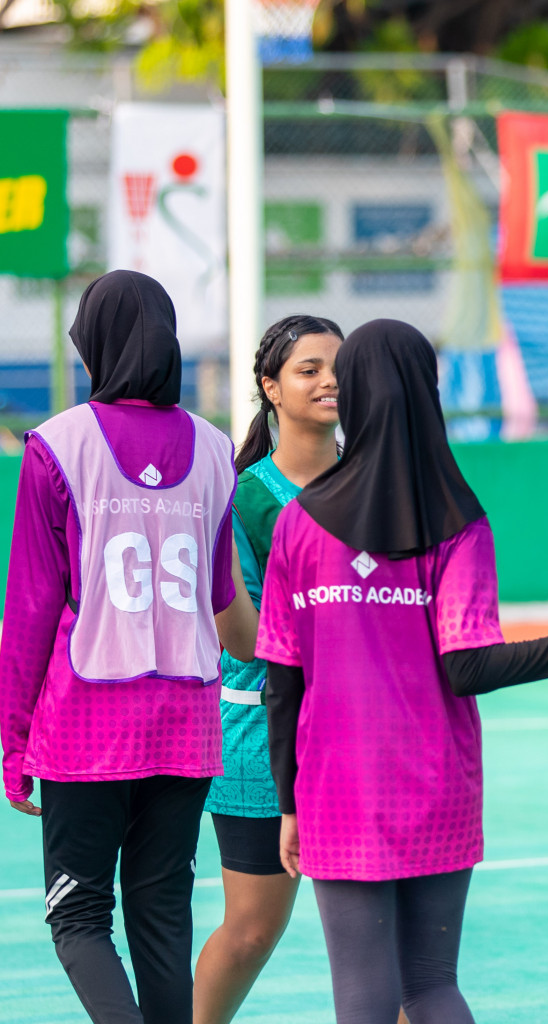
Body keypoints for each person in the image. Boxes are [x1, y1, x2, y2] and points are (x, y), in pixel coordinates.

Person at [254, 319, 548, 1023]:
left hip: (335, 789)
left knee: (362, 998)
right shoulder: (459, 520)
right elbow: (468, 666)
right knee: (430, 984)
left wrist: (288, 802)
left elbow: (282, 679)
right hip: (438, 786)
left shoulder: (299, 524)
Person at [0, 269, 251, 1024]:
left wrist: (12, 743)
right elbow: (218, 596)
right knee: (162, 921)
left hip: (85, 726)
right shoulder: (214, 450)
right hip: (186, 724)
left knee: (78, 920)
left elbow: (31, 611)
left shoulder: (57, 446)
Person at [194, 315, 351, 1024]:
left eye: (338, 368)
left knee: (390, 939)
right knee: (254, 929)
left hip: (361, 735)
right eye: (309, 368)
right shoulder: (246, 496)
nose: (329, 381)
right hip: (264, 735)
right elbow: (246, 641)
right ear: (271, 388)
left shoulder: (376, 483)